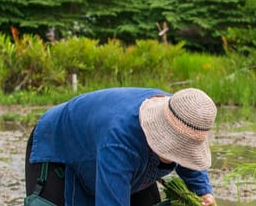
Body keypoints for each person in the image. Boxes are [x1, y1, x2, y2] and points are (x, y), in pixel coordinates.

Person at [24, 87, 218, 206]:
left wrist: (203, 192)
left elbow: (186, 150)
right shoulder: (119, 143)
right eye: (173, 150)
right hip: (59, 145)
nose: (177, 157)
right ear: (159, 135)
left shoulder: (186, 112)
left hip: (106, 142)